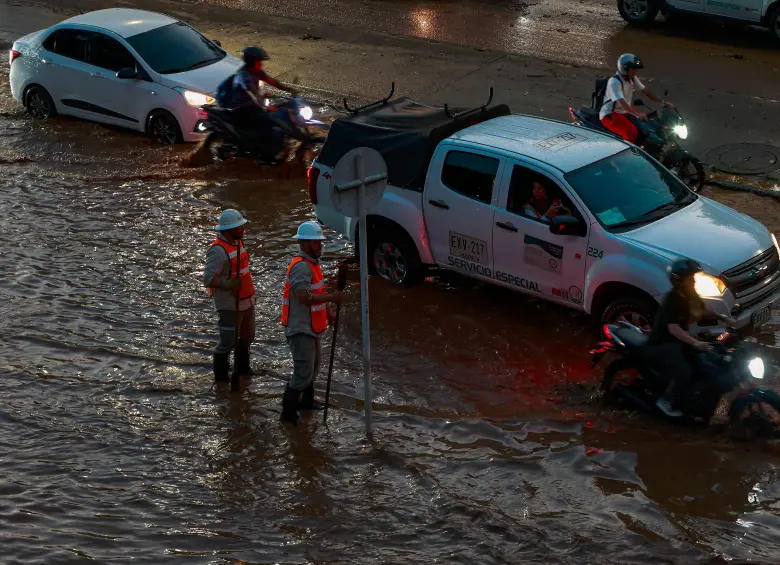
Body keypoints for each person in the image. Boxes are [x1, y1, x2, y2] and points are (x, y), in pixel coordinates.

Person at [280, 221, 344, 424]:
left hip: (312, 326)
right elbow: (304, 297)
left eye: (320, 242)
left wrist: (329, 312)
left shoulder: (313, 265)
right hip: (300, 328)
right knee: (302, 374)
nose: (320, 246)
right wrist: (332, 298)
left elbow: (317, 292)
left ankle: (306, 404)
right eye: (316, 243)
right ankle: (288, 416)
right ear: (304, 244)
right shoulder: (301, 267)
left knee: (313, 369)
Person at [647, 258, 713, 418]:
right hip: (664, 343)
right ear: (680, 282)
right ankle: (665, 400)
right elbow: (673, 328)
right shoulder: (673, 300)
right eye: (690, 279)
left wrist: (727, 319)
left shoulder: (690, 295)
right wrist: (695, 342)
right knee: (684, 370)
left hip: (678, 340)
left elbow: (703, 311)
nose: (694, 282)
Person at [203, 209, 256, 384]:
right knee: (227, 343)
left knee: (248, 336)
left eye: (242, 226)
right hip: (229, 303)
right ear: (227, 230)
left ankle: (243, 371)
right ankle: (221, 381)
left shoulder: (237, 242)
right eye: (238, 227)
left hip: (246, 298)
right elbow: (208, 279)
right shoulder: (217, 251)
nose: (242, 229)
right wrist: (228, 283)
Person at [599, 53, 674, 144]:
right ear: (625, 68)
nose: (636, 71)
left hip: (624, 110)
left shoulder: (632, 78)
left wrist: (663, 102)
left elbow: (646, 92)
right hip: (610, 114)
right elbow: (622, 102)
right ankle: (626, 155)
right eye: (633, 69)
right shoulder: (614, 82)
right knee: (631, 132)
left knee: (647, 123)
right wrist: (637, 114)